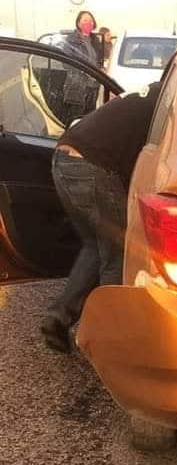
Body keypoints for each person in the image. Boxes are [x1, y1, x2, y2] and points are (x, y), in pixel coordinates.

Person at [40, 82, 162, 353]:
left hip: (64, 160)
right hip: (92, 168)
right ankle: (111, 342)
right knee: (117, 253)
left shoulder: (147, 95)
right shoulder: (166, 106)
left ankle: (58, 318)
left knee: (95, 247)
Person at [62, 11, 103, 122]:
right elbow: (66, 63)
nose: (88, 23)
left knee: (89, 119)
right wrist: (85, 72)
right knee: (76, 120)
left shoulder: (95, 40)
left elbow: (97, 61)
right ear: (78, 23)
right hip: (77, 86)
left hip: (93, 86)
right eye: (85, 20)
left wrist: (100, 70)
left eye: (91, 21)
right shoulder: (72, 40)